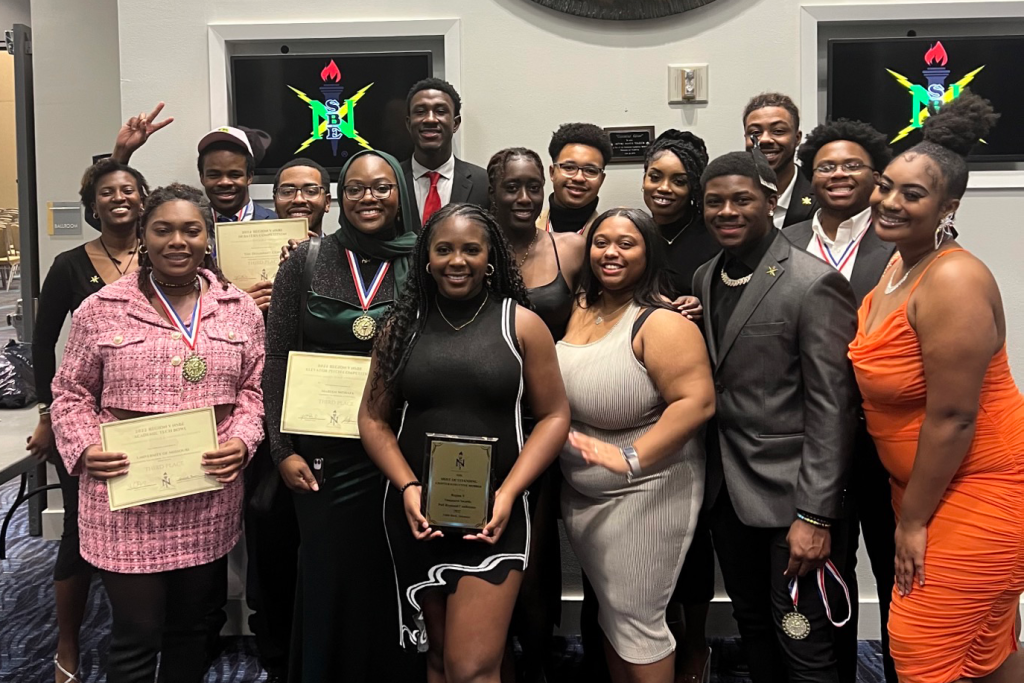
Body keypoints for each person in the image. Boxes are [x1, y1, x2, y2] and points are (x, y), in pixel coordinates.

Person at [49, 183, 265, 683]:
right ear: (144, 237)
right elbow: (70, 393)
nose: (177, 241)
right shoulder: (100, 308)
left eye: (191, 230)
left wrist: (243, 441)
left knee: (193, 629)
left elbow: (255, 392)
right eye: (163, 229)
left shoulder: (239, 310)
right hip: (125, 498)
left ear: (208, 237)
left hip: (205, 496)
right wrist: (83, 448)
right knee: (135, 636)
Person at [850, 92, 1024, 683]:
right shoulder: (901, 263)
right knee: (981, 651)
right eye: (886, 185)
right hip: (930, 491)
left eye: (912, 194)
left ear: (948, 206)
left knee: (922, 648)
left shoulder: (952, 279)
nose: (889, 202)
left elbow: (953, 418)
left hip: (980, 488)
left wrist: (913, 521)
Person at [359, 203, 571, 683]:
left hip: (496, 516)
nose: (458, 260)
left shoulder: (522, 324)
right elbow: (372, 420)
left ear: (490, 257)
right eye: (445, 249)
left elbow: (555, 415)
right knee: (435, 659)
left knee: (471, 667)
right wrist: (409, 488)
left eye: (471, 249)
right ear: (427, 260)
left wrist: (510, 492)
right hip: (416, 514)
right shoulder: (400, 326)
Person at [694, 148, 858, 683]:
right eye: (714, 202)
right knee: (753, 626)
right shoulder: (704, 277)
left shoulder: (811, 283)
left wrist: (815, 515)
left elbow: (833, 408)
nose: (727, 211)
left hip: (791, 501)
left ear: (770, 201)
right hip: (727, 495)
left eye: (742, 199)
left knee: (803, 639)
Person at [263, 149, 420, 682]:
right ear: (339, 198)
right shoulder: (305, 261)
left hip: (403, 449)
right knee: (331, 573)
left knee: (395, 573)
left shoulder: (424, 259)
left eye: (381, 187)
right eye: (355, 188)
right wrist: (282, 449)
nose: (368, 198)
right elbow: (277, 358)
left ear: (400, 190)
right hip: (325, 456)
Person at [557, 207, 715, 683]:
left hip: (647, 492)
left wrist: (630, 457)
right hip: (586, 500)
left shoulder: (662, 324)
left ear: (649, 253)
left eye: (627, 243)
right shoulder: (583, 307)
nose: (611, 252)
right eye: (602, 242)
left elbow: (697, 403)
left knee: (640, 625)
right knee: (614, 615)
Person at [26, 159, 149, 683]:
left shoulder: (170, 250)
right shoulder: (69, 265)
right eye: (107, 191)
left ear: (144, 200)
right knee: (78, 537)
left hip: (154, 421)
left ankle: (143, 635)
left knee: (149, 530)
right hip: (84, 423)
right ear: (92, 204)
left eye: (128, 189)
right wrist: (50, 415)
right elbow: (42, 343)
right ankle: (68, 646)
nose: (119, 197)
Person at [783, 118, 897, 683]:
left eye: (852, 164)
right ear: (810, 176)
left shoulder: (901, 237)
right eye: (826, 165)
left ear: (876, 174)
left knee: (897, 573)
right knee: (829, 575)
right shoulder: (788, 239)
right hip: (812, 437)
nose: (838, 174)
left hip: (884, 438)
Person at [486, 147, 585, 682]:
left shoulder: (569, 248)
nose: (524, 198)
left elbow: (607, 306)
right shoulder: (472, 246)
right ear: (493, 191)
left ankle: (539, 660)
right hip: (480, 418)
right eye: (511, 187)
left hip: (544, 420)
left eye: (532, 187)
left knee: (538, 550)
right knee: (483, 538)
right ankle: (488, 656)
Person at [641, 129, 719, 683]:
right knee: (654, 526)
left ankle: (696, 643)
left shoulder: (712, 238)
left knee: (693, 530)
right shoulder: (634, 230)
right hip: (640, 398)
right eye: (655, 176)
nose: (663, 189)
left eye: (677, 181)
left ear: (694, 190)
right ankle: (655, 631)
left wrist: (700, 310)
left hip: (693, 401)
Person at [400, 78, 489, 231]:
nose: (430, 119)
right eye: (420, 111)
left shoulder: (484, 183)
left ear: (455, 124)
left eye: (440, 111)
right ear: (408, 123)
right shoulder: (391, 180)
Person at [742, 93, 817, 228]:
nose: (764, 139)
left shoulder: (819, 194)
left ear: (797, 138)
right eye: (755, 133)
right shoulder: (732, 195)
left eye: (778, 131)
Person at [538, 123, 612, 235]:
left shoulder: (608, 238)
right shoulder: (526, 231)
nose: (579, 178)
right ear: (552, 172)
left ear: (601, 180)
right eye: (569, 168)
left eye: (590, 171)